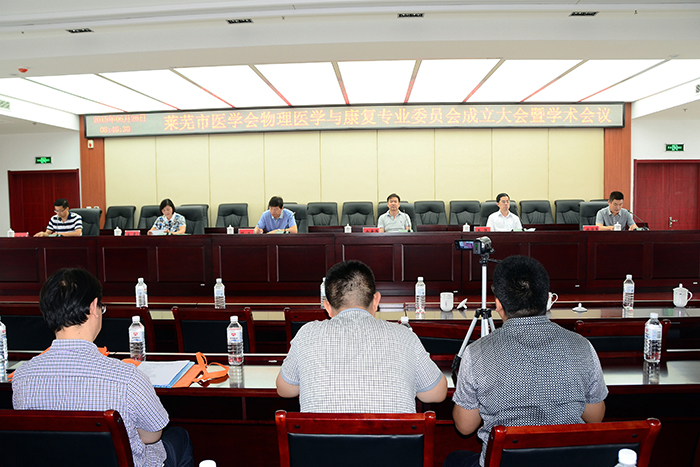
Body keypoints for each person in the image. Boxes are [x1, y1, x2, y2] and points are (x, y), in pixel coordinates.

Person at [12, 268, 194, 467]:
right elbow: (152, 435)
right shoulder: (127, 378)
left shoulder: (22, 377)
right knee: (180, 437)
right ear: (93, 307)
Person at [445, 256, 608, 467]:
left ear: (498, 304)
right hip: (566, 462)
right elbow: (595, 417)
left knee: (453, 459)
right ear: (547, 299)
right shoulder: (582, 346)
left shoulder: (477, 352)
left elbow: (465, 427)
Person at [276, 260, 447, 412]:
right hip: (390, 440)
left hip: (321, 440)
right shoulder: (404, 336)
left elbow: (285, 390)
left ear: (327, 306)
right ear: (376, 301)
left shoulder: (307, 335)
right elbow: (437, 393)